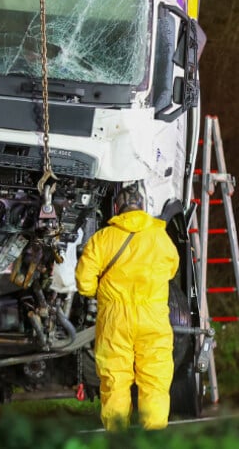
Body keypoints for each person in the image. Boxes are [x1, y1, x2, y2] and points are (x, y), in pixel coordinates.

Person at [75, 184, 180, 431]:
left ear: (116, 208)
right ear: (143, 207)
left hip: (115, 320)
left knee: (115, 380)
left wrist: (97, 293)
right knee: (155, 379)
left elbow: (84, 283)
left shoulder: (102, 238)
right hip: (153, 317)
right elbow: (172, 270)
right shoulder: (161, 238)